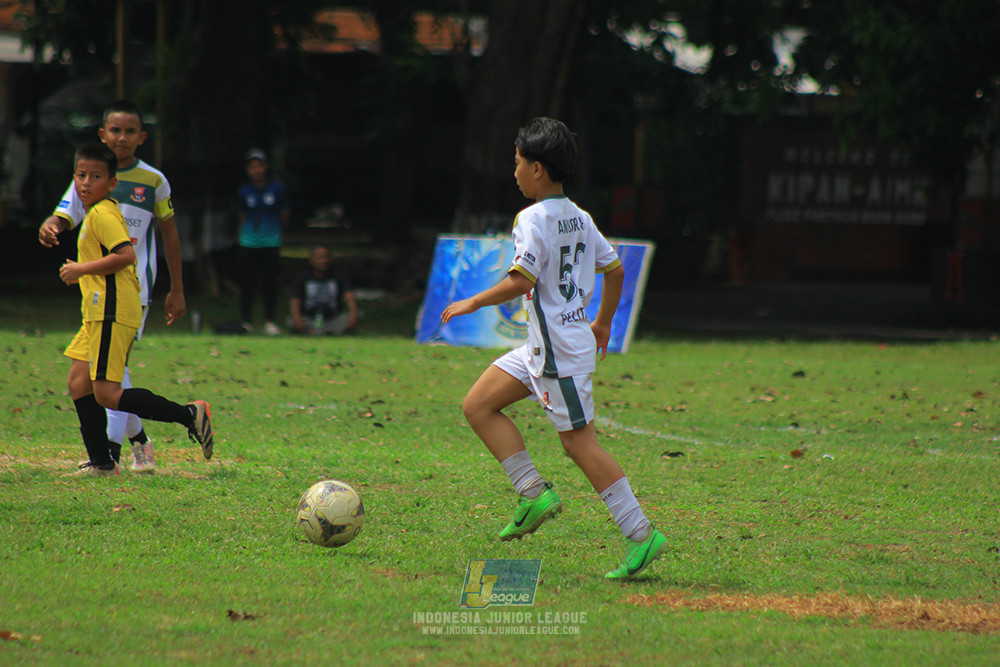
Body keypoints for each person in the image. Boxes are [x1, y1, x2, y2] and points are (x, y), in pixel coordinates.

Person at [440, 118, 667, 579]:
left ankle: (642, 534)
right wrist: (602, 322)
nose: (515, 171)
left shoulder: (532, 218)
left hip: (558, 352)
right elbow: (616, 268)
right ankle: (532, 493)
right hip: (545, 345)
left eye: (518, 162)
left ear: (538, 168)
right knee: (479, 404)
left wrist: (472, 301)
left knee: (579, 445)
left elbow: (521, 279)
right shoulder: (580, 216)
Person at [38, 99, 184, 474]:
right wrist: (52, 225)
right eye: (115, 130)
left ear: (141, 137)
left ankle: (111, 455)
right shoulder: (90, 175)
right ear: (103, 134)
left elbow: (167, 236)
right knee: (92, 377)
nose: (122, 137)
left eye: (130, 131)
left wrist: (177, 287)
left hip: (132, 292)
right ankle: (134, 444)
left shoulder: (153, 180)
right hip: (98, 294)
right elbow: (64, 212)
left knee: (107, 378)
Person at [57, 143, 213, 476]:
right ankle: (102, 462)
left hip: (113, 309)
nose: (86, 182)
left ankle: (190, 414)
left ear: (111, 183)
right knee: (78, 382)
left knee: (107, 393)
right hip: (98, 312)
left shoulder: (103, 213)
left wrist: (81, 269)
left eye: (96, 176)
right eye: (81, 175)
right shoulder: (93, 212)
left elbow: (126, 255)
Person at [237, 148, 290, 336]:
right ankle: (246, 321)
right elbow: (242, 216)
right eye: (252, 167)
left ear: (266, 167)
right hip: (248, 243)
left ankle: (270, 321)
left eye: (259, 166)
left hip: (270, 243)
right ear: (248, 170)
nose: (256, 170)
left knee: (270, 283)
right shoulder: (244, 191)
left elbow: (284, 215)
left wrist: (270, 232)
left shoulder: (277, 190)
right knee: (247, 284)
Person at [288, 245, 359, 335]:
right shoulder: (303, 278)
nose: (323, 261)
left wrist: (353, 316)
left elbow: (349, 296)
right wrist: (297, 318)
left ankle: (322, 332)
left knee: (356, 315)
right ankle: (321, 332)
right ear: (311, 261)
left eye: (326, 257)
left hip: (333, 318)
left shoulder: (339, 276)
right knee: (291, 321)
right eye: (319, 258)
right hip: (310, 318)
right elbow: (295, 300)